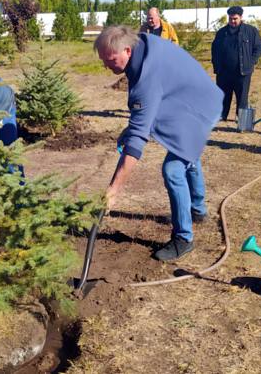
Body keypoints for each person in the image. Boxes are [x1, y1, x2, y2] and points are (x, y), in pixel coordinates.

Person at [95, 26, 223, 261]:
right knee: (188, 154)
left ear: (126, 50)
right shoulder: (143, 43)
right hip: (192, 98)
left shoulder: (146, 75)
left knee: (173, 169)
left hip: (199, 108)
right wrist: (133, 127)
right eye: (103, 60)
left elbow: (137, 141)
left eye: (110, 59)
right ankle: (197, 209)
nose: (106, 65)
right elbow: (146, 110)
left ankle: (183, 238)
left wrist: (113, 190)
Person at [211, 6, 261, 121]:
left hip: (243, 72)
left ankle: (241, 118)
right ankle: (222, 115)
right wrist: (216, 66)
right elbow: (214, 50)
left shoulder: (250, 31)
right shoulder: (221, 33)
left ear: (241, 17)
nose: (232, 21)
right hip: (224, 72)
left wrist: (251, 61)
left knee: (242, 98)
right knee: (223, 96)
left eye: (235, 19)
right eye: (230, 19)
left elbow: (258, 48)